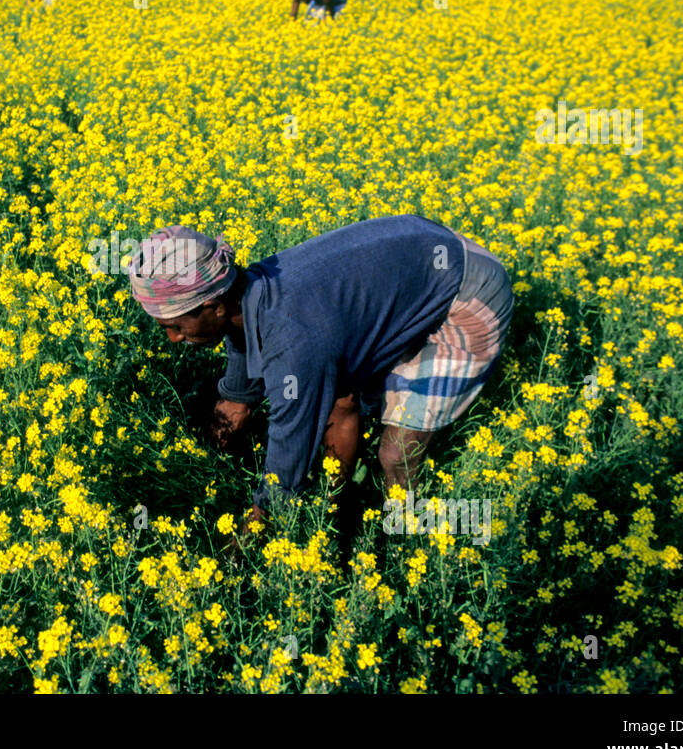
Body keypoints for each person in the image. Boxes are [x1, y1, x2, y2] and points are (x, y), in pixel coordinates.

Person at [128, 215, 513, 539]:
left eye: (174, 326)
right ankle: (335, 512)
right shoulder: (245, 299)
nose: (173, 339)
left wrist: (249, 537)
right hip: (419, 255)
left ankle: (406, 540)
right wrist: (198, 465)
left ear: (212, 306)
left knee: (396, 454)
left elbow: (289, 452)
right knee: (341, 396)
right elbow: (237, 399)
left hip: (466, 289)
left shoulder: (293, 338)